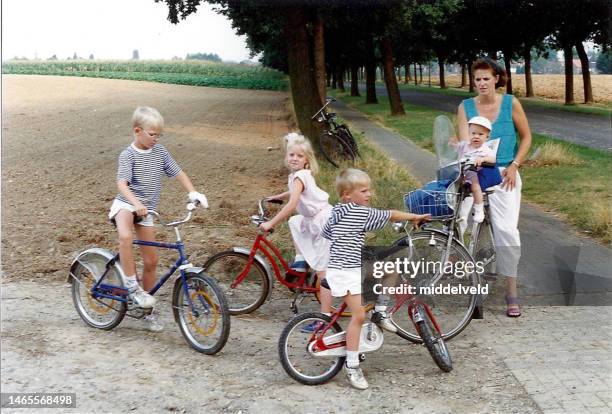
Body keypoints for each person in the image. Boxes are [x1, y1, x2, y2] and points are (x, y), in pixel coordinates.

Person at [322, 168, 429, 390]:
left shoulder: (338, 211)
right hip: (346, 271)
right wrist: (414, 217)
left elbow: (327, 233)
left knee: (390, 269)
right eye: (364, 191)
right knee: (359, 317)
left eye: (369, 190)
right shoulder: (358, 212)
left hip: (347, 267)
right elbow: (390, 214)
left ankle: (380, 312)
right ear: (347, 195)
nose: (369, 194)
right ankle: (352, 367)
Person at [109, 106, 208, 331]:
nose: (156, 139)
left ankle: (146, 311)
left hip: (147, 211)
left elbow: (178, 172)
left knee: (152, 261)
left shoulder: (160, 152)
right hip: (127, 205)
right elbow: (122, 184)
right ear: (137, 131)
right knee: (125, 236)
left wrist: (192, 192)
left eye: (159, 135)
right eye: (152, 134)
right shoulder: (128, 154)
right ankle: (132, 286)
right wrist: (136, 204)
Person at [457, 57, 532, 317]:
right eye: (477, 79)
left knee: (507, 231)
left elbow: (527, 137)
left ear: (496, 78)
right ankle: (469, 286)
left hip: (504, 173)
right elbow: (464, 144)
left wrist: (515, 164)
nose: (481, 83)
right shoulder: (465, 107)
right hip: (475, 171)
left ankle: (511, 291)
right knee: (460, 221)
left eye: (486, 78)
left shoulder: (511, 103)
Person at [259, 133, 333, 325]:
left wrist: (271, 223)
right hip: (314, 219)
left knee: (322, 272)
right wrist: (277, 196)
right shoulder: (297, 176)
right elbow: (293, 193)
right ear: (286, 156)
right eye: (291, 154)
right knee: (295, 222)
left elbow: (292, 204)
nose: (294, 158)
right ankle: (301, 260)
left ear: (307, 160)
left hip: (323, 222)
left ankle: (325, 319)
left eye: (299, 156)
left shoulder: (300, 175)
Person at [451, 115, 501, 223]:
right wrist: (453, 144)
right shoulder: (465, 145)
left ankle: (478, 208)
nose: (476, 137)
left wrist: (482, 159)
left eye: (480, 134)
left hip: (474, 173)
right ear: (469, 134)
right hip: (461, 172)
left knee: (475, 186)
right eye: (473, 133)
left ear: (487, 137)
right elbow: (456, 147)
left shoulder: (485, 149)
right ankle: (452, 214)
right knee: (451, 185)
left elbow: (492, 159)